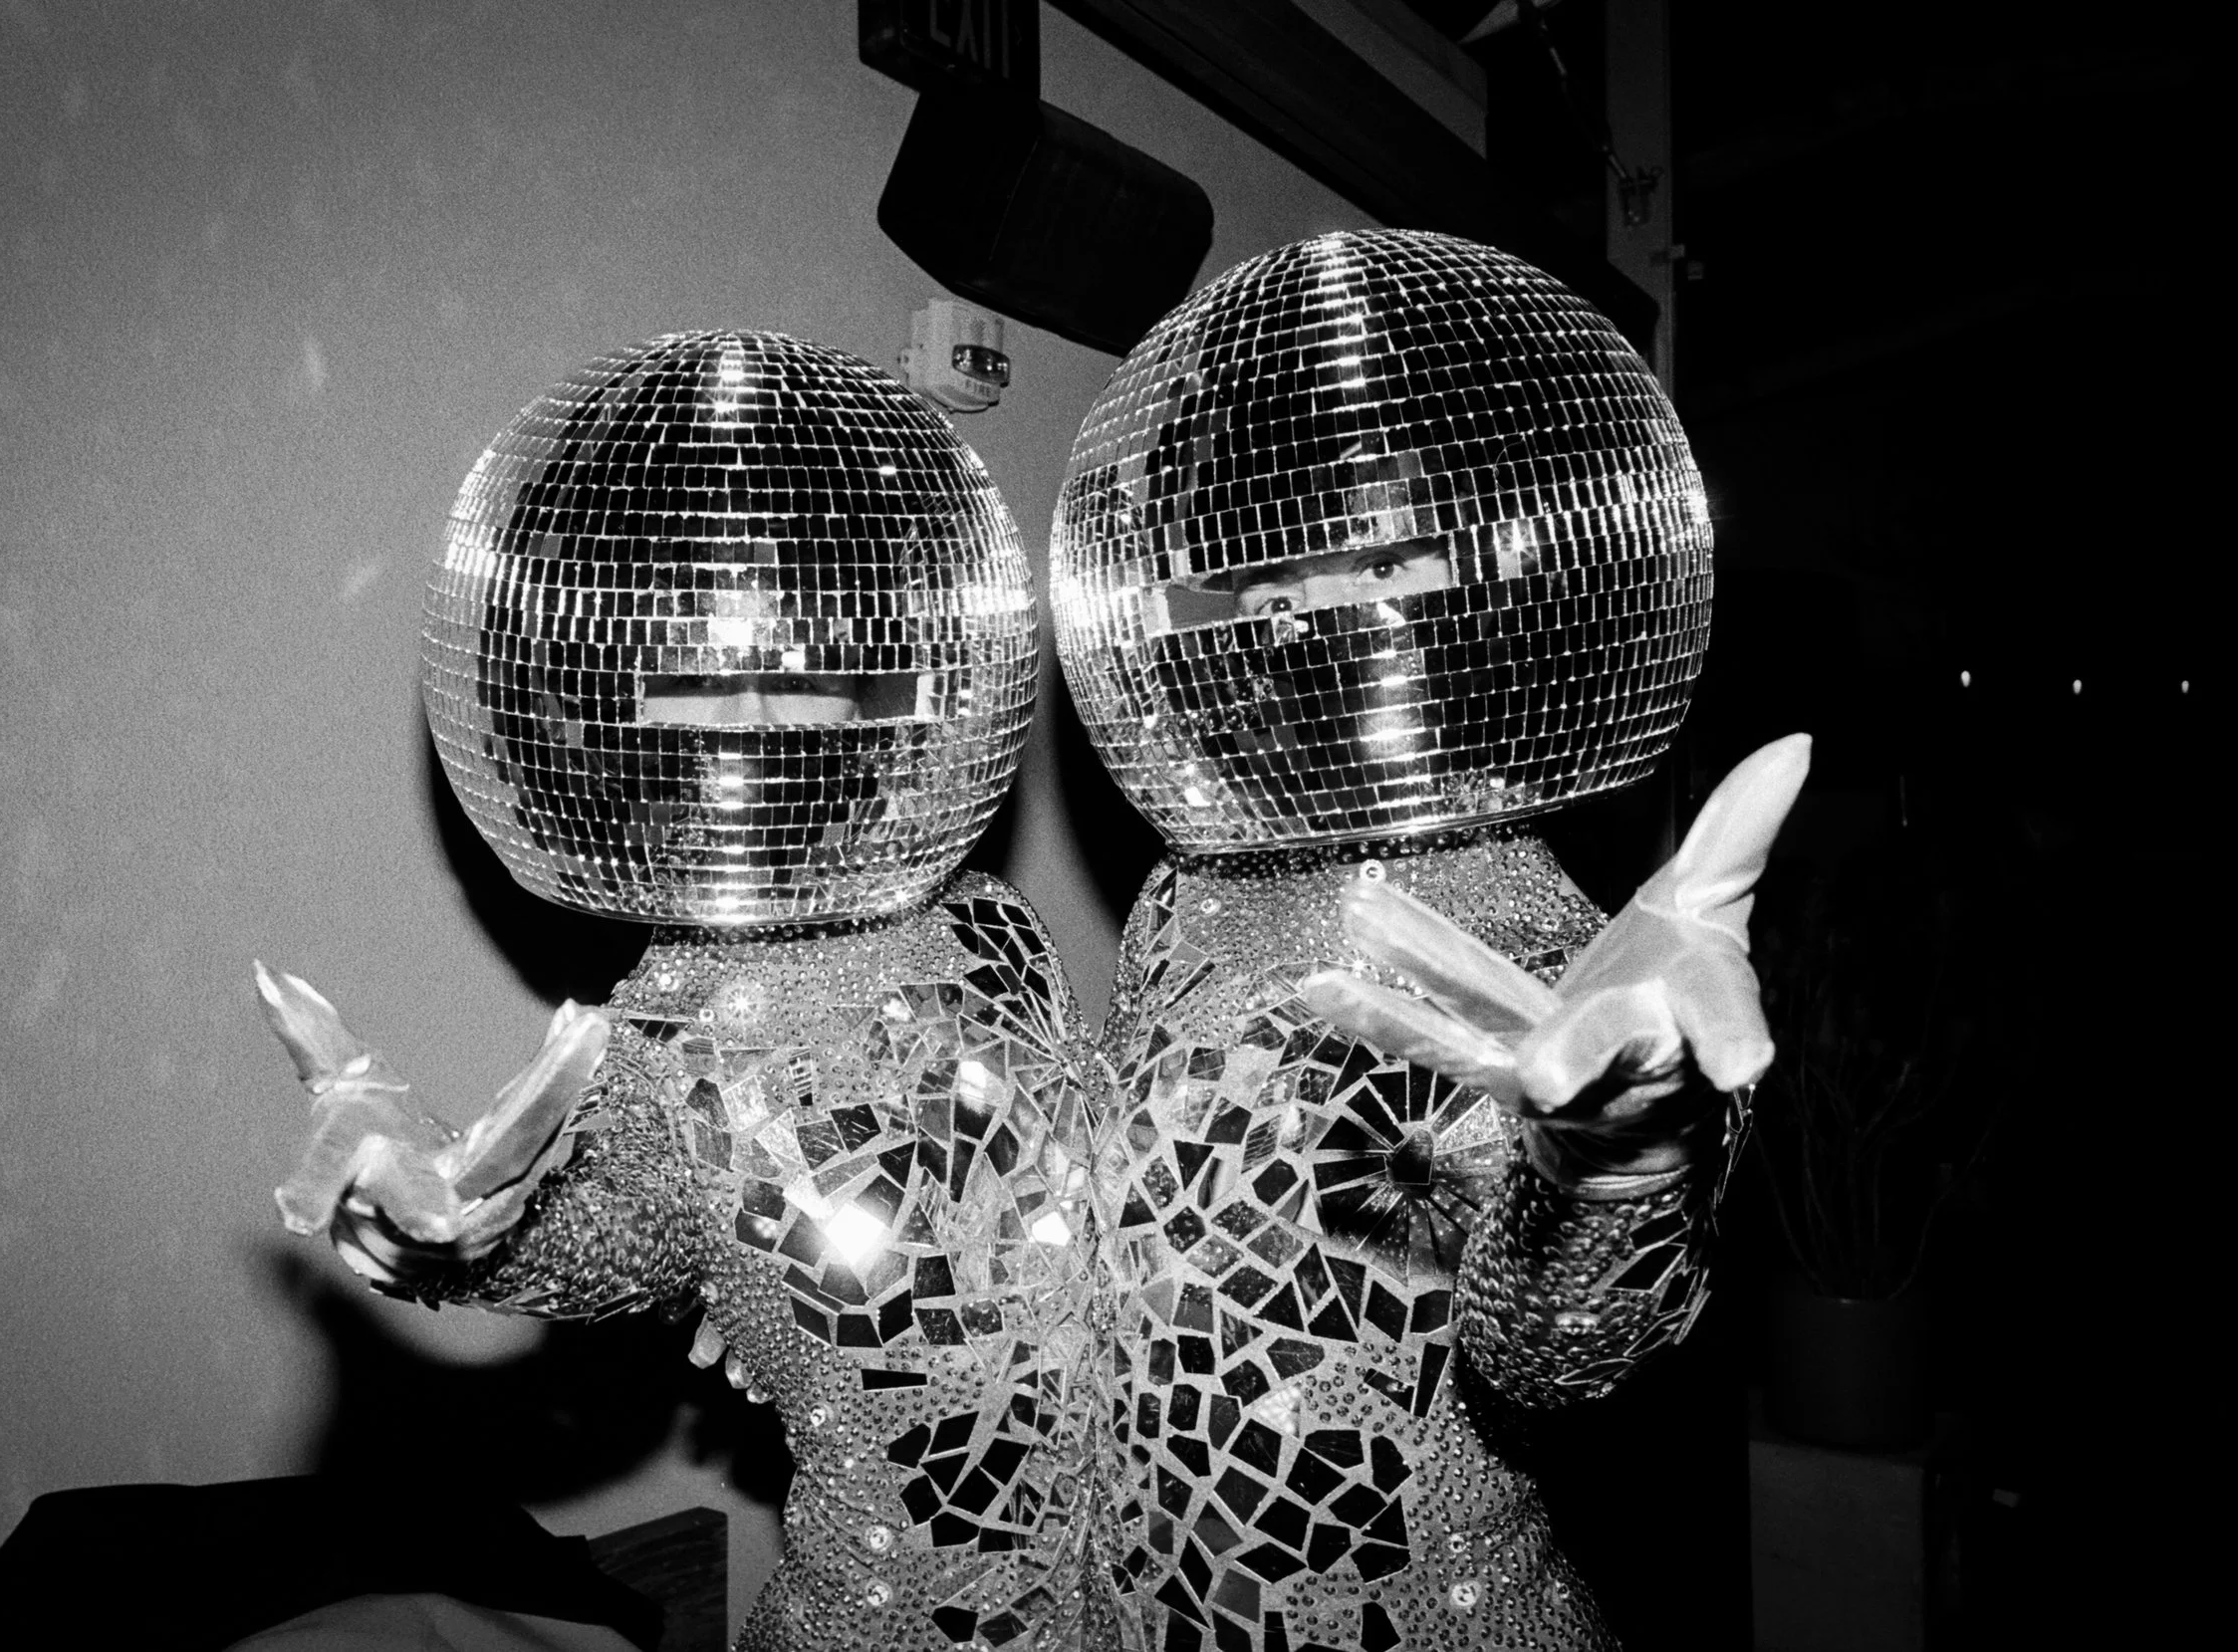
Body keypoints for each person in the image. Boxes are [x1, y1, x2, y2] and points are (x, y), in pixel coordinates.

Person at [258, 332, 1126, 1652]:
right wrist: (447, 1221)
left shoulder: (995, 925)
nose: (763, 708)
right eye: (699, 683)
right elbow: (605, 1225)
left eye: (812, 667)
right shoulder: (669, 1035)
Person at [1049, 228, 1796, 1651]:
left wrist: (1616, 1169)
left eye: (1392, 559)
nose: (1340, 609)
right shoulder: (1182, 894)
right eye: (1279, 571)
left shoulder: (1551, 954)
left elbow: (1547, 1356)